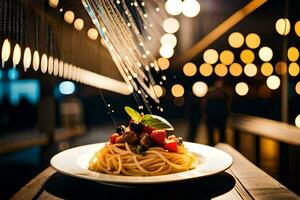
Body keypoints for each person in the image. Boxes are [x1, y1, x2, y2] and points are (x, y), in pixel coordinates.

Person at [204, 79, 229, 146]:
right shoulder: (223, 93)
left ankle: (218, 146)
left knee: (219, 135)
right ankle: (217, 146)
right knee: (213, 135)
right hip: (214, 116)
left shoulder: (222, 92)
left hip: (217, 116)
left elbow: (204, 104)